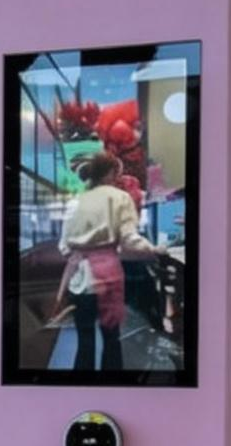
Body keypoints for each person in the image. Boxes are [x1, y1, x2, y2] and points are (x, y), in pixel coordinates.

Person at [58, 151, 158, 373]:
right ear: (111, 172)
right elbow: (130, 240)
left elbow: (64, 246)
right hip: (108, 279)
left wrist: (82, 252)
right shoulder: (120, 198)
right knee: (112, 339)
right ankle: (112, 388)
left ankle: (81, 391)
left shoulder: (75, 201)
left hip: (80, 281)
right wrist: (154, 249)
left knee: (84, 340)